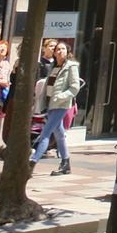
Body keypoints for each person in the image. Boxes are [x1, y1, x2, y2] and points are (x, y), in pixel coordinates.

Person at [29, 41, 80, 175]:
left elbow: (75, 87)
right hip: (50, 104)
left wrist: (61, 97)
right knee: (59, 134)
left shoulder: (71, 67)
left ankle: (32, 161)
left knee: (45, 133)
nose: (60, 51)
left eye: (63, 49)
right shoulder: (53, 66)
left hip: (61, 105)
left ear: (67, 52)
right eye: (58, 49)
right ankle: (65, 163)